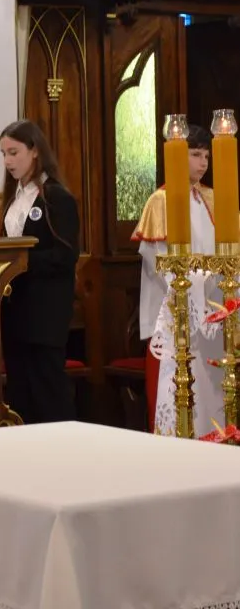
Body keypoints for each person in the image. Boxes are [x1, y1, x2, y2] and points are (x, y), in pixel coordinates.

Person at [132, 125, 223, 436]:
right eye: (195, 154)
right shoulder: (160, 201)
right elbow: (158, 262)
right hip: (172, 312)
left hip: (212, 309)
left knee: (211, 400)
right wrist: (194, 283)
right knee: (173, 396)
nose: (203, 163)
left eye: (206, 156)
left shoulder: (211, 198)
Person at [0, 119, 80, 424]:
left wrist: (19, 260)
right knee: (20, 392)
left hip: (45, 312)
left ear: (34, 151)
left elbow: (65, 255)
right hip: (15, 310)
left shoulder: (56, 197)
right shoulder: (14, 199)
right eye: (3, 154)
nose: (7, 161)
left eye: (14, 152)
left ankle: (62, 446)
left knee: (47, 390)